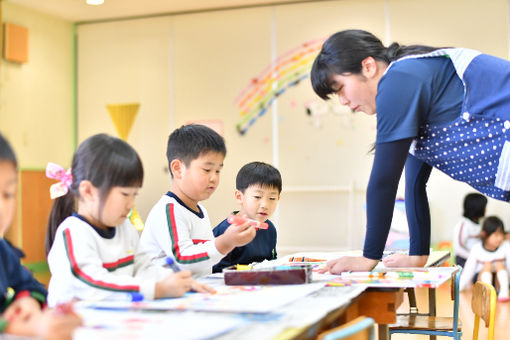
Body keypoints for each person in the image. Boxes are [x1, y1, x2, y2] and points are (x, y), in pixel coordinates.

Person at [311, 29, 510, 273]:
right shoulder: (410, 96)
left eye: (340, 87)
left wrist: (368, 257)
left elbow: (384, 181)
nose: (342, 101)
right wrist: (418, 255)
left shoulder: (399, 80)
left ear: (368, 67)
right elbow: (414, 185)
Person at [46, 133, 212, 307]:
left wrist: (177, 280)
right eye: (125, 194)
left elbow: (143, 267)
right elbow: (92, 284)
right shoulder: (73, 233)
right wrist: (157, 289)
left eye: (134, 195)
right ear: (88, 191)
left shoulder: (124, 227)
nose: (131, 204)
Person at [138, 124, 257, 278]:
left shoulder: (201, 210)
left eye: (218, 170)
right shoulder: (169, 210)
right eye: (207, 170)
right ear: (178, 168)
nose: (214, 177)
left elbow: (204, 260)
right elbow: (183, 259)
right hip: (164, 296)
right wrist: (225, 242)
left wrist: (232, 241)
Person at [0, 133, 81, 339]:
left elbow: (31, 286)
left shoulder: (3, 251)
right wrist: (14, 327)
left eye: (8, 194)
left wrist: (28, 302)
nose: (2, 208)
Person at [212, 161, 281, 273]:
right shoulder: (226, 231)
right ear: (240, 197)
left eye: (272, 198)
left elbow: (271, 263)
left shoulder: (270, 229)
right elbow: (215, 273)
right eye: (257, 196)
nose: (265, 205)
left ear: (278, 199)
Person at [459, 216, 510, 302]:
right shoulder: (477, 249)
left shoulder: (506, 246)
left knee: (499, 265)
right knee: (487, 265)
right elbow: (468, 270)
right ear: (485, 234)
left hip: (499, 282)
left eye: (501, 234)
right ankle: (488, 294)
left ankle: (504, 292)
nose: (500, 238)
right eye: (496, 235)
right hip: (482, 280)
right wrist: (459, 287)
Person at [453, 193, 487, 267]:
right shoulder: (463, 224)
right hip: (464, 258)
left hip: (478, 256)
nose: (485, 210)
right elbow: (458, 248)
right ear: (477, 208)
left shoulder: (481, 222)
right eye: (484, 207)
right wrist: (474, 257)